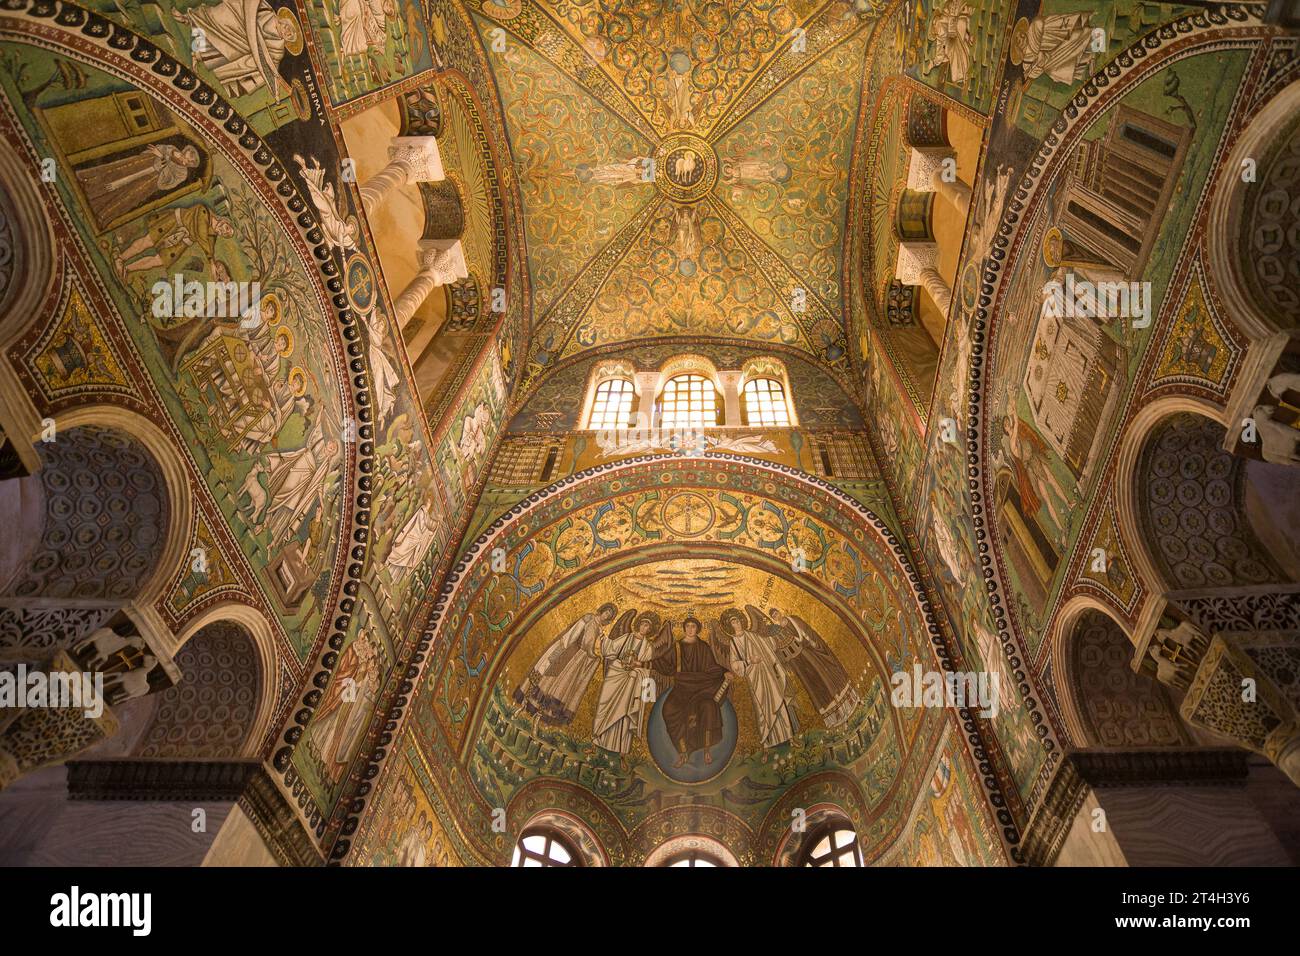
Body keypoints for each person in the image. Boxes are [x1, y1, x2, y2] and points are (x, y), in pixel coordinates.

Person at [651, 616, 731, 767]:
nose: (690, 629)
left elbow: (712, 668)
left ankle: (707, 750)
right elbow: (662, 663)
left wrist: (725, 671)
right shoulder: (677, 647)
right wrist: (641, 664)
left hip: (702, 690)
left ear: (697, 629)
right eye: (687, 626)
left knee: (708, 707)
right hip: (682, 689)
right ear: (684, 628)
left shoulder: (704, 647)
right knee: (669, 710)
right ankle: (683, 753)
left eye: (693, 626)